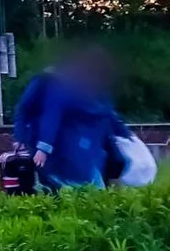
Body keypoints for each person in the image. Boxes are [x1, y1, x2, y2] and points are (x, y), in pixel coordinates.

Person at [26, 46, 130, 190]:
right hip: (74, 146)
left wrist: (125, 134)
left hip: (94, 143)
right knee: (88, 182)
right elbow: (52, 117)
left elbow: (108, 114)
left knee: (110, 170)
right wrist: (44, 147)